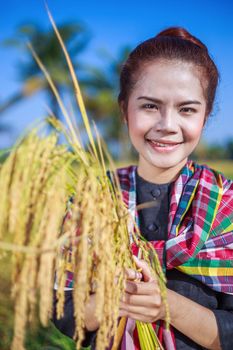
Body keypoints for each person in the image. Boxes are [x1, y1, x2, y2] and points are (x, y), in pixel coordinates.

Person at [53, 27, 233, 349]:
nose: (166, 124)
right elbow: (65, 313)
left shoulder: (226, 204)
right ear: (125, 109)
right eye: (150, 106)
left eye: (187, 109)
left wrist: (166, 305)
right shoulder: (93, 199)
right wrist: (113, 297)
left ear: (205, 118)